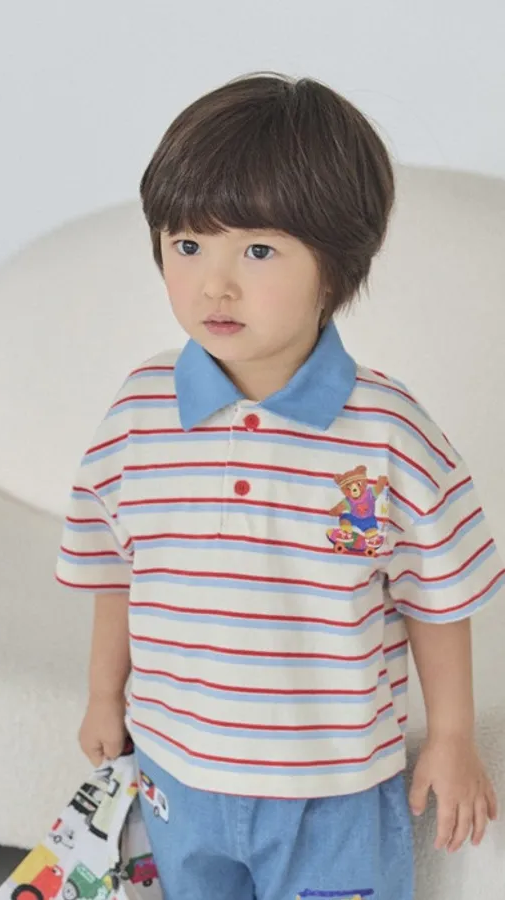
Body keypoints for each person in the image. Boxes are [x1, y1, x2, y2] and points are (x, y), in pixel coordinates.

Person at [55, 73, 502, 900]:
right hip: (175, 772)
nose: (214, 284)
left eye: (257, 251)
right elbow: (118, 567)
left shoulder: (387, 431)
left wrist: (451, 735)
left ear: (335, 267)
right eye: (188, 245)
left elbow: (437, 594)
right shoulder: (139, 411)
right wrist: (102, 694)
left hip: (332, 791)